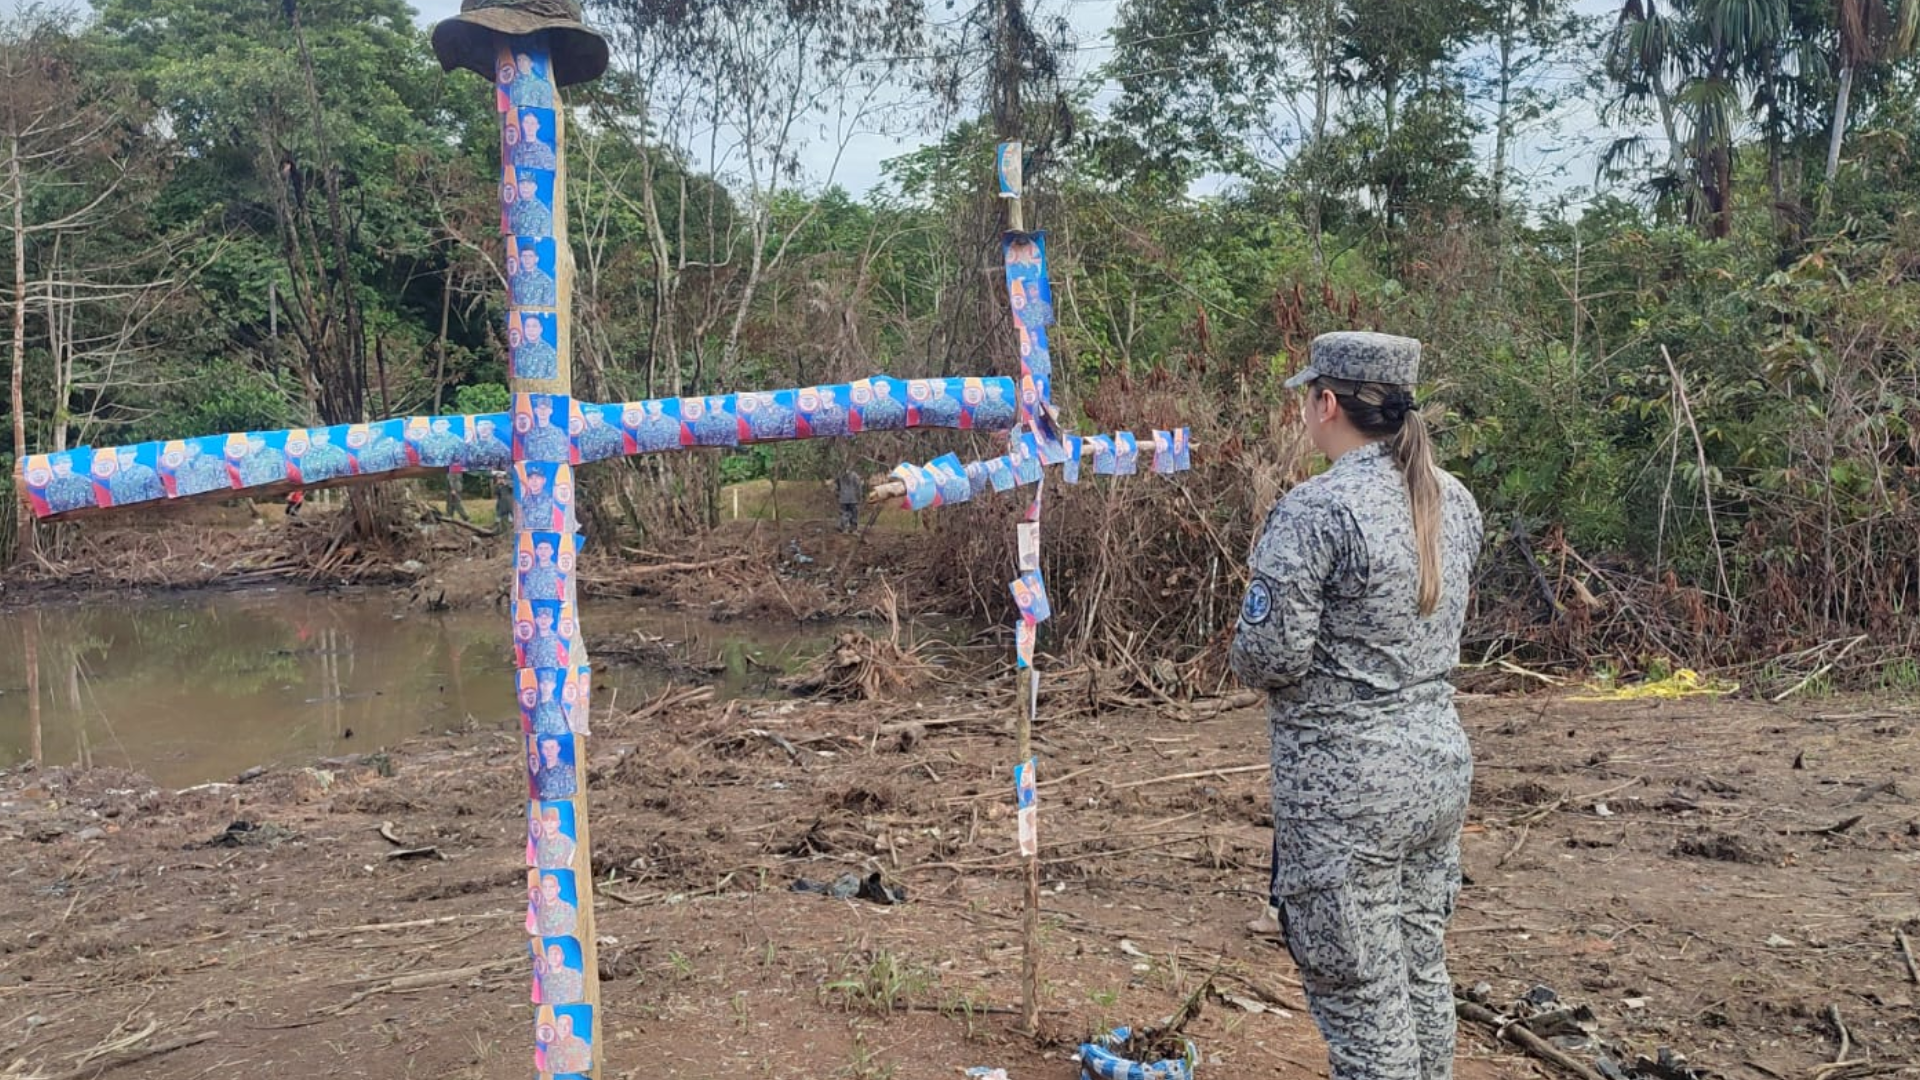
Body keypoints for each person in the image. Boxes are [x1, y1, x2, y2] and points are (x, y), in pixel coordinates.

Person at [1228, 331, 1484, 1080]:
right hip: (1436, 771)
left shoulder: (1317, 510)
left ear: (1327, 402)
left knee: (1365, 1006)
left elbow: (1269, 656)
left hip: (1348, 796)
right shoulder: (1452, 499)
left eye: (1308, 398)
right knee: (1417, 976)